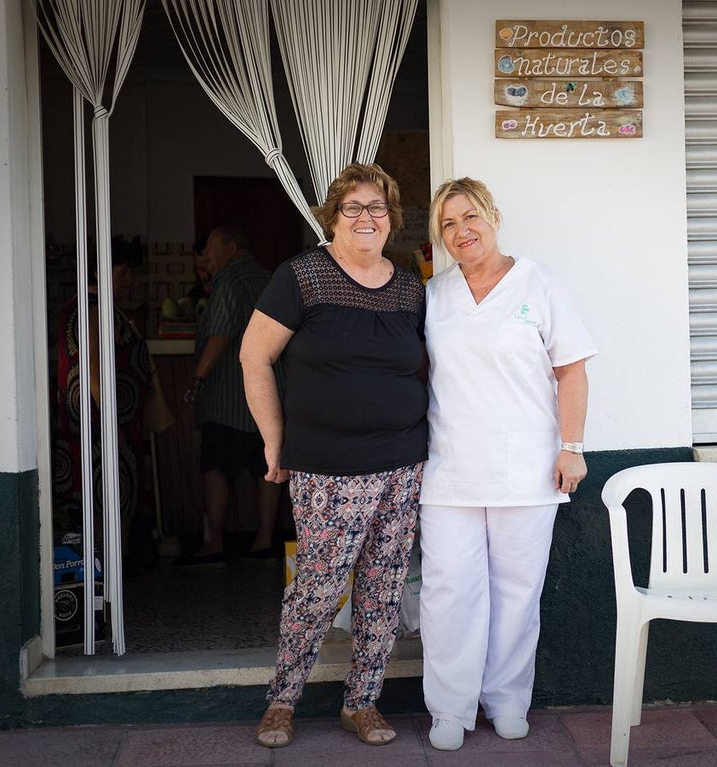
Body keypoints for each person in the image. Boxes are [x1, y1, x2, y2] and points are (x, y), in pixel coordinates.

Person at [240, 163, 428, 749]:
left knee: (384, 584)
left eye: (378, 208)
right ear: (332, 216)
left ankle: (362, 702)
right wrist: (274, 439)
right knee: (318, 586)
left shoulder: (410, 287)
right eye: (354, 207)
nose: (366, 218)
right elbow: (254, 358)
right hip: (326, 468)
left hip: (403, 463)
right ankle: (282, 700)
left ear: (392, 219)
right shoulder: (302, 277)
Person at [418, 178, 597, 751]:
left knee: (518, 591)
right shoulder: (435, 292)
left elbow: (571, 369)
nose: (460, 231)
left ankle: (507, 700)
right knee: (448, 591)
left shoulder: (537, 282)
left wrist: (573, 446)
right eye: (447, 224)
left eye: (469, 217)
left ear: (493, 216)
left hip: (527, 466)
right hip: (449, 468)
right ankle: (450, 708)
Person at [179, 226, 280, 565]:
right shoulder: (273, 279)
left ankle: (215, 543)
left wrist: (198, 378)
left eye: (210, 246)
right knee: (266, 466)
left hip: (228, 397)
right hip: (270, 393)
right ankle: (265, 539)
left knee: (216, 468)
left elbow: (221, 334)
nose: (206, 254)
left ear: (232, 247)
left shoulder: (229, 282)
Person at [53, 236, 154, 574]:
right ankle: (109, 571)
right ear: (101, 271)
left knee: (101, 495)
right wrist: (110, 419)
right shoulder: (94, 310)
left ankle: (107, 569)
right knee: (106, 495)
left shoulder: (89, 306)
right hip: (102, 426)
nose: (129, 281)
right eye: (124, 273)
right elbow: (94, 367)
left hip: (99, 422)